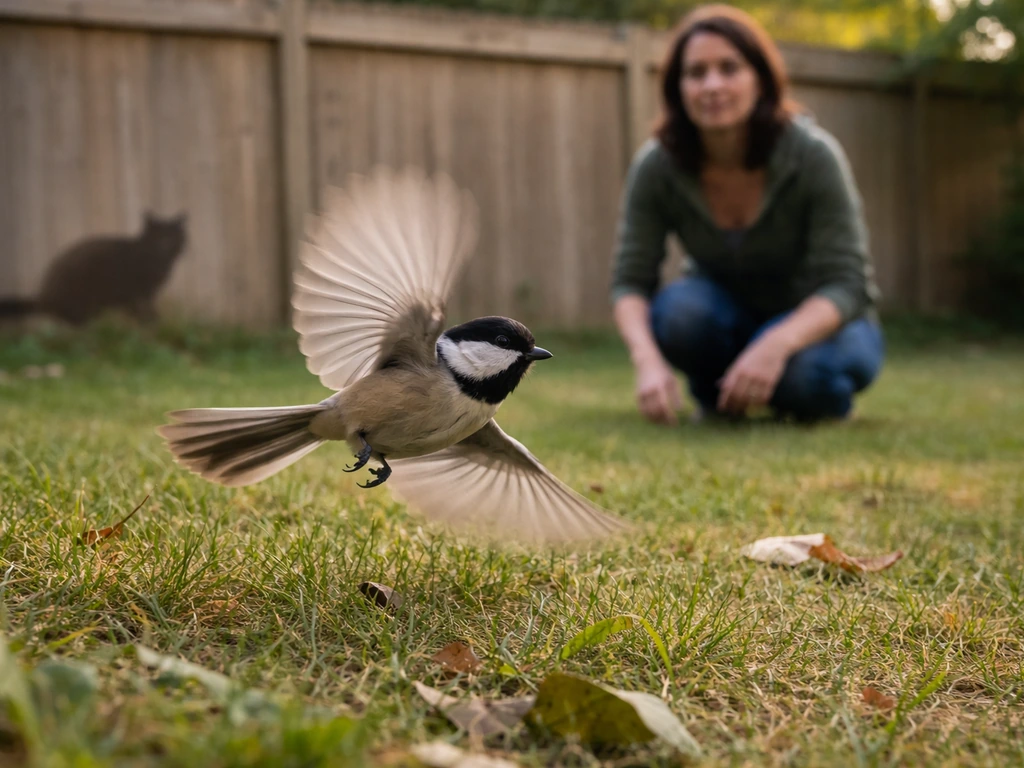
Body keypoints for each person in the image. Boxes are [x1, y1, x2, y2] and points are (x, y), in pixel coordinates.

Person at [610, 4, 884, 425]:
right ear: (677, 88)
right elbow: (630, 280)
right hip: (722, 315)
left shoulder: (813, 155)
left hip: (819, 322)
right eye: (696, 72)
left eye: (729, 68)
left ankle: (784, 392)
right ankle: (723, 393)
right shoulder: (658, 166)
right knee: (681, 313)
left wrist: (776, 344)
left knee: (808, 378)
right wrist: (648, 363)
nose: (712, 85)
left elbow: (848, 283)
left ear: (761, 79)